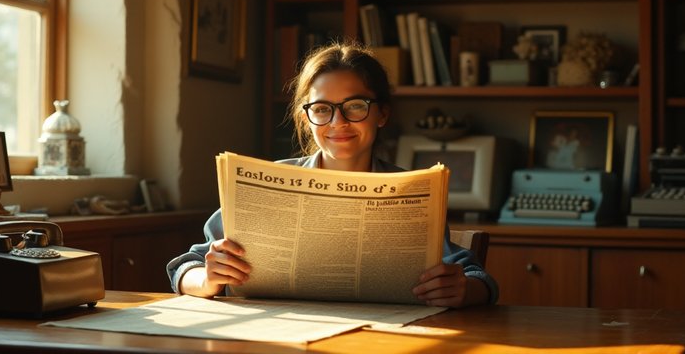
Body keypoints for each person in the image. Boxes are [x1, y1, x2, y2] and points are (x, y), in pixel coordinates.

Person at [166, 42, 498, 307]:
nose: (338, 122)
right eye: (322, 109)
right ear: (306, 116)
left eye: (355, 106)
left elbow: (476, 277)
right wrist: (207, 279)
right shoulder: (263, 183)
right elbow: (186, 267)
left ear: (381, 113)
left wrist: (465, 290)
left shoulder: (413, 192)